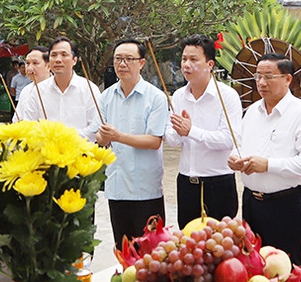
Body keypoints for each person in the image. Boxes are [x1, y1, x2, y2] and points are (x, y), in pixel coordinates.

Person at [228, 53, 301, 269]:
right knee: (254, 266)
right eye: (258, 76)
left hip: (284, 205)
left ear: (287, 79)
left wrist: (269, 165)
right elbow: (239, 144)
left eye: (269, 77)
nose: (262, 83)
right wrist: (234, 157)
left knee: (286, 269)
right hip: (251, 202)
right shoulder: (253, 111)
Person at [94, 39, 169, 247]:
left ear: (142, 63)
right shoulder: (106, 97)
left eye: (129, 59)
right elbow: (98, 138)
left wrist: (118, 136)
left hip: (146, 189)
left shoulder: (155, 98)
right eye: (118, 59)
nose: (122, 64)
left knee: (152, 252)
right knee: (124, 249)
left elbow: (154, 140)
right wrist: (103, 136)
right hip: (117, 187)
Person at [165, 34, 242, 228]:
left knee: (220, 247)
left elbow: (228, 140)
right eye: (184, 59)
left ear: (210, 64)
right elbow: (172, 140)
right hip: (186, 183)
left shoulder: (227, 96)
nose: (186, 65)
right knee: (188, 245)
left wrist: (191, 131)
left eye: (193, 59)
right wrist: (178, 131)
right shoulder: (179, 96)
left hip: (218, 183)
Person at [13, 37, 101, 137]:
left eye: (64, 55)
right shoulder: (38, 91)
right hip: (46, 150)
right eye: (54, 55)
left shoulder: (90, 89)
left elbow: (95, 129)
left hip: (81, 150)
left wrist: (63, 137)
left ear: (74, 60)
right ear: (49, 62)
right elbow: (29, 125)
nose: (58, 60)